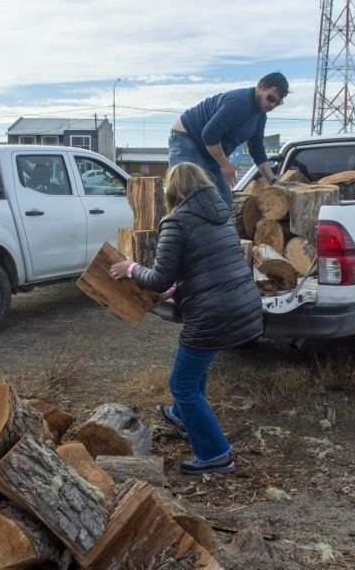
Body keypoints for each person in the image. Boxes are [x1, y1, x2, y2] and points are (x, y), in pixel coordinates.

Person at [110, 162, 263, 475]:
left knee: (181, 384)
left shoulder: (176, 221)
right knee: (195, 372)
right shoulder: (220, 215)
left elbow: (159, 277)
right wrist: (175, 289)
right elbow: (205, 265)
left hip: (212, 313)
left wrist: (132, 269)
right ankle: (182, 416)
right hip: (241, 304)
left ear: (174, 189)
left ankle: (216, 455)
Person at [169, 72, 289, 206]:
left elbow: (258, 152)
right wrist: (225, 165)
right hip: (188, 140)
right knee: (187, 196)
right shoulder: (239, 102)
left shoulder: (260, 117)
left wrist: (273, 182)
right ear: (260, 87)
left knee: (224, 199)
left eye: (278, 103)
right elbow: (209, 134)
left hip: (211, 151)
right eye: (271, 98)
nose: (272, 105)